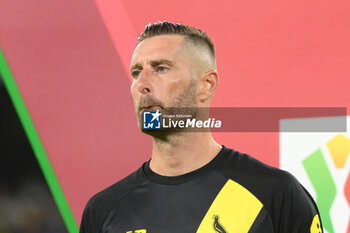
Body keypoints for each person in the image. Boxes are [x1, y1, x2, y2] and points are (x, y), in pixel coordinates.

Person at [79, 21, 323, 233]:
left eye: (160, 68)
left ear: (206, 85)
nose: (141, 84)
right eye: (136, 72)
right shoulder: (103, 209)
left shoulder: (275, 193)